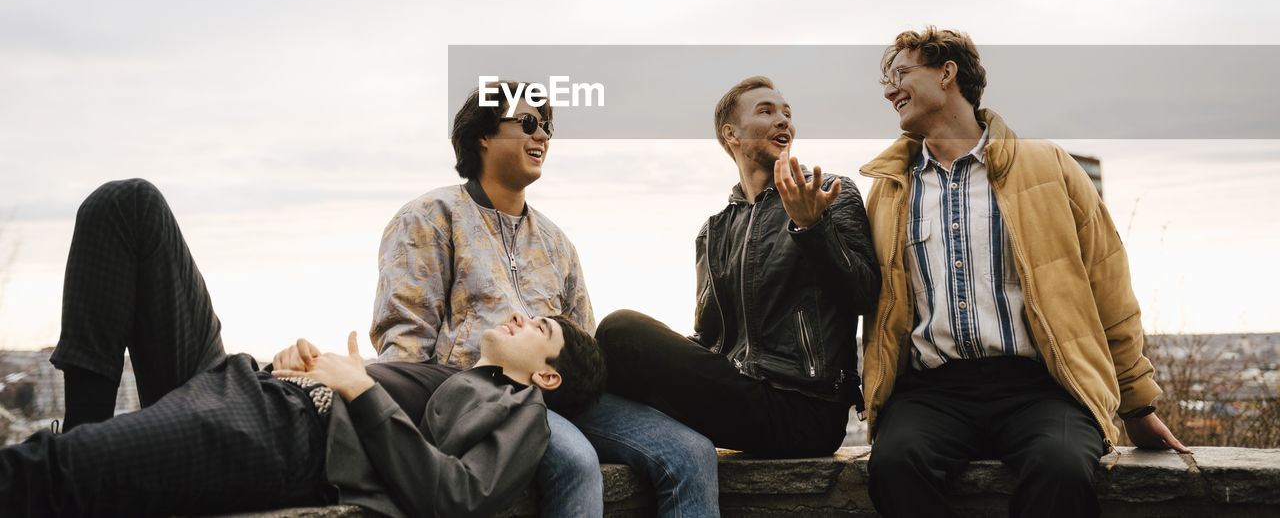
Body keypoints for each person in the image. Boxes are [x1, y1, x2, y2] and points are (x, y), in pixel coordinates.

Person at [3, 177, 605, 517]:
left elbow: (454, 498)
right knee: (128, 206)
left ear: (546, 378)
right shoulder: (444, 368)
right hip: (246, 383)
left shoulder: (517, 412)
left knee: (47, 472)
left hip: (284, 433)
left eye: (541, 329)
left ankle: (73, 460)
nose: (524, 318)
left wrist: (358, 388)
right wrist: (301, 367)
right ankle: (83, 424)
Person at [861, 27, 1188, 518]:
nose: (890, 90)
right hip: (932, 393)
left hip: (1042, 388)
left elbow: (1108, 284)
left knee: (1060, 469)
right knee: (893, 467)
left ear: (947, 73)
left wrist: (1138, 407)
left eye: (901, 74)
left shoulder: (1048, 165)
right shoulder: (888, 190)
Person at [371, 81, 719, 518]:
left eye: (548, 127)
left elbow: (583, 341)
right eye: (530, 123)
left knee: (692, 452)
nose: (543, 137)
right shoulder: (429, 217)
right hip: (488, 392)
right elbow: (405, 338)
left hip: (564, 396)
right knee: (575, 460)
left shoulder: (556, 241)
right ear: (483, 134)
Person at [596, 76, 880, 458]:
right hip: (741, 393)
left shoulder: (828, 193)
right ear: (732, 134)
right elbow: (710, 337)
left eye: (787, 113)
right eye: (766, 111)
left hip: (806, 408)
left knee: (620, 330)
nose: (783, 121)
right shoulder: (713, 231)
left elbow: (865, 294)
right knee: (602, 345)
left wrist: (813, 228)